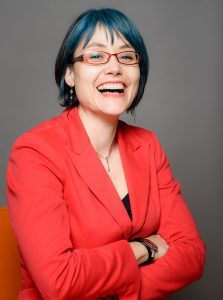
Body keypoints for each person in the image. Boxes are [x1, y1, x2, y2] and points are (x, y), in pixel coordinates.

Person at [6, 8, 205, 300]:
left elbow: (192, 255)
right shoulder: (35, 152)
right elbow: (58, 281)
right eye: (96, 56)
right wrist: (145, 248)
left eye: (126, 56)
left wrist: (112, 291)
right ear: (70, 74)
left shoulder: (147, 145)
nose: (115, 68)